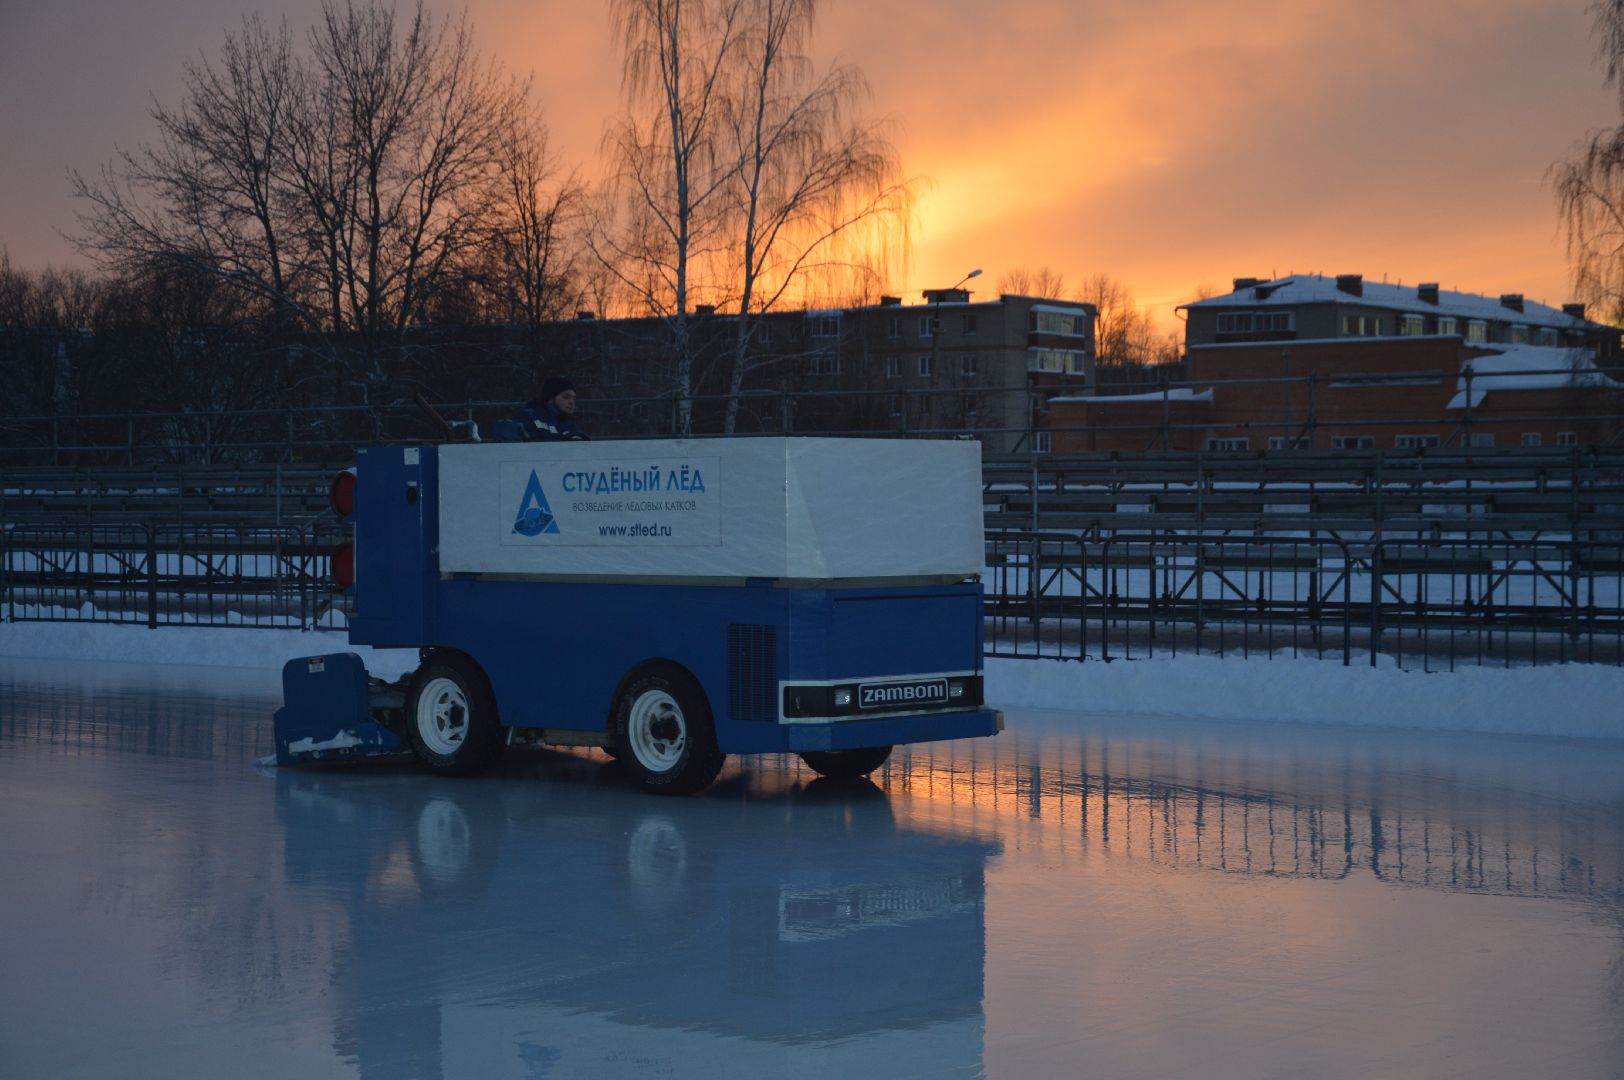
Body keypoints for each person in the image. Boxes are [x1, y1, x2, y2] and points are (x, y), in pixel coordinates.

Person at [514, 376, 589, 442]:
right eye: (566, 397)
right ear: (550, 398)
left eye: (574, 398)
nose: (571, 402)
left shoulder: (569, 424)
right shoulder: (528, 417)